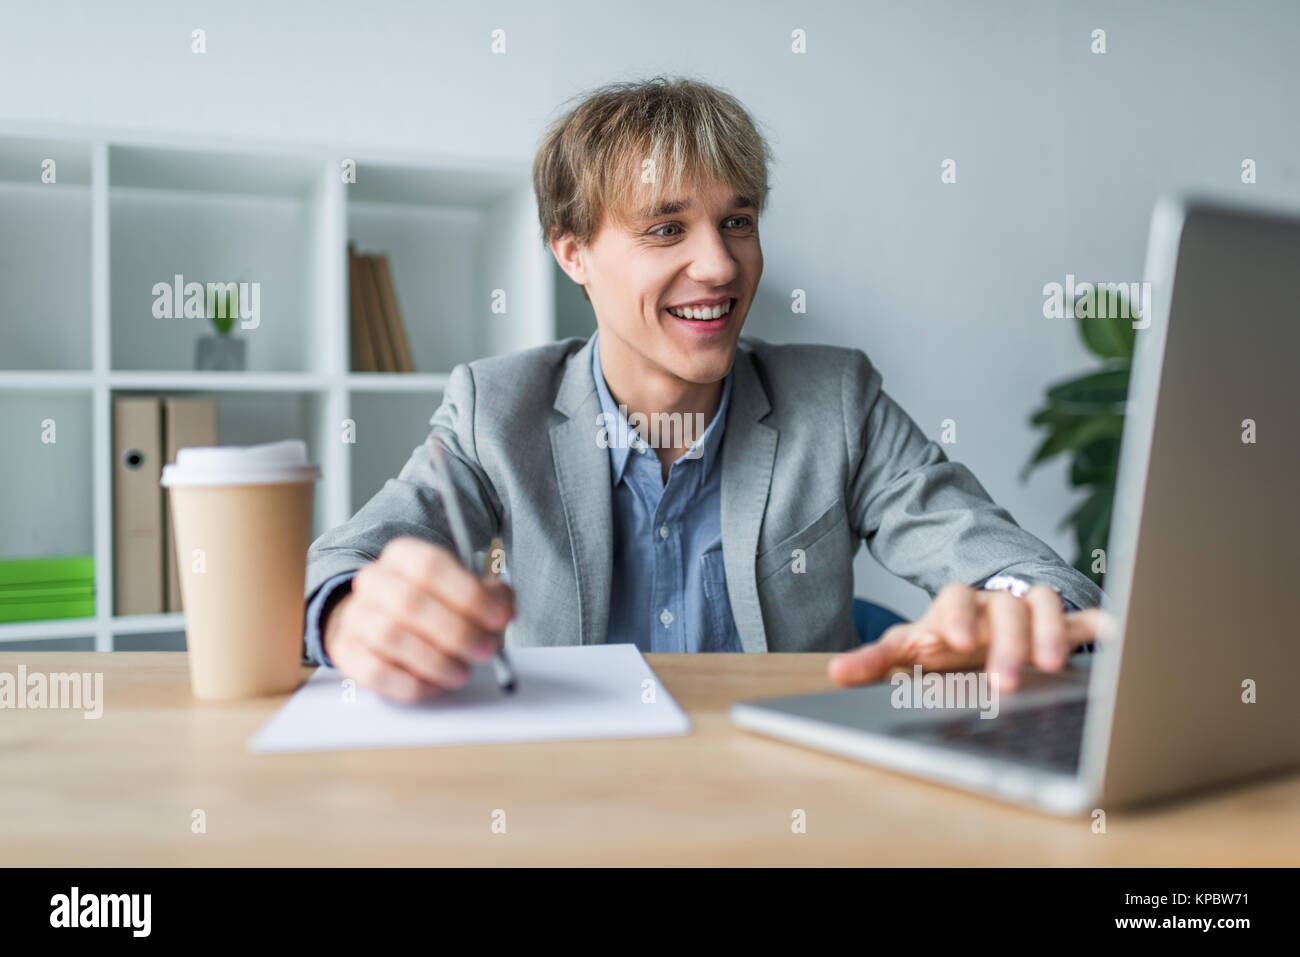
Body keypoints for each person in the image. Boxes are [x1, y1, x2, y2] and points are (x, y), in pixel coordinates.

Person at [303, 76, 1106, 703]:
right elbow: (344, 562)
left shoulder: (835, 400)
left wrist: (1014, 606)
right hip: (575, 806)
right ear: (573, 251)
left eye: (738, 221)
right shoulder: (496, 409)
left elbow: (1012, 565)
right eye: (665, 228)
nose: (720, 265)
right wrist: (352, 611)